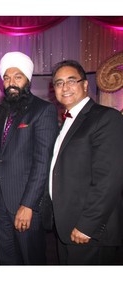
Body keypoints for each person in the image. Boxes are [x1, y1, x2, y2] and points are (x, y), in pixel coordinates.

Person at [49, 60, 123, 264]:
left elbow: (109, 180)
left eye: (71, 81)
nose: (65, 87)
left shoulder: (106, 118)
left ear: (85, 85)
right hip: (67, 227)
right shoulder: (66, 122)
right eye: (59, 83)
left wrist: (87, 225)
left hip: (90, 232)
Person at [0, 51, 59, 264]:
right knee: (7, 259)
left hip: (26, 203)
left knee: (31, 260)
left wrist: (28, 205)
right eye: (7, 78)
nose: (11, 82)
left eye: (17, 77)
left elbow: (42, 162)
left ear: (27, 80)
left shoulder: (43, 110)